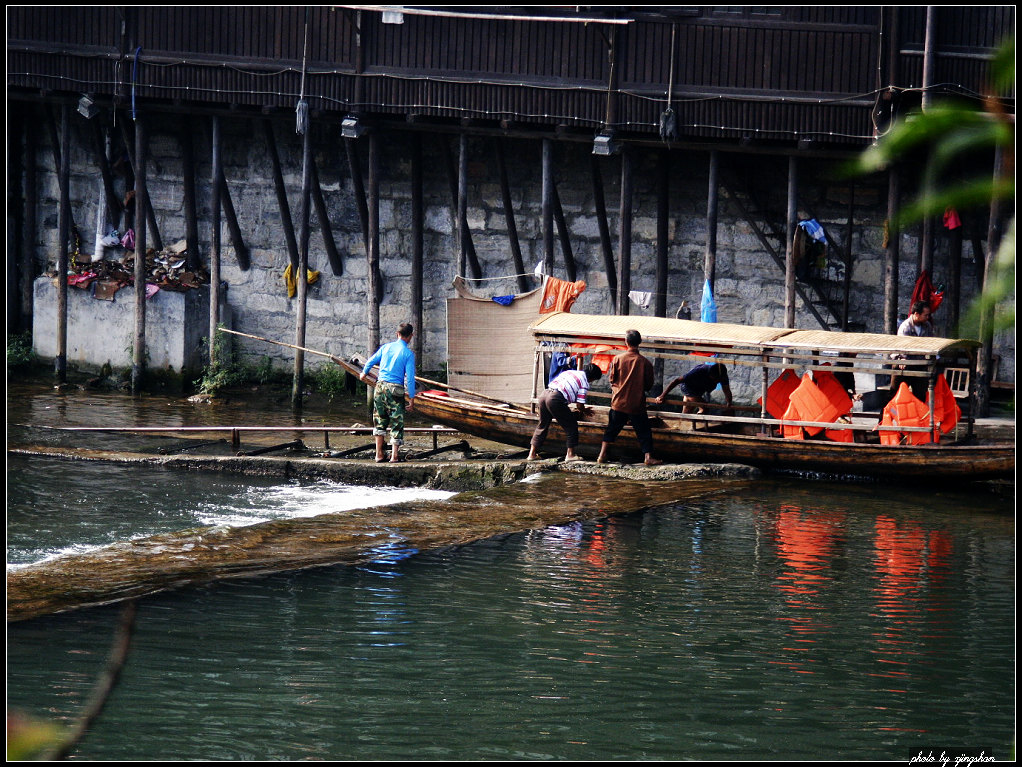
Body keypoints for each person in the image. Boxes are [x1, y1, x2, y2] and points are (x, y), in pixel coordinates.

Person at [596, 330, 662, 466]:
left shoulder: (617, 359)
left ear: (626, 342)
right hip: (636, 404)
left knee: (611, 429)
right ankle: (648, 457)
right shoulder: (645, 363)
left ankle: (602, 455)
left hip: (618, 402)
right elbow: (649, 385)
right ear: (639, 343)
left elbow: (612, 379)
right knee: (644, 431)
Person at [360, 323, 416, 463]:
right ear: (410, 336)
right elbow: (409, 379)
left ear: (397, 334)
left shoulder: (386, 347)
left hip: (380, 387)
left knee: (379, 419)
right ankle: (394, 456)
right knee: (397, 421)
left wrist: (363, 374)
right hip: (395, 389)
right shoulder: (408, 354)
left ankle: (379, 454)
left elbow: (370, 362)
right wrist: (412, 398)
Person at [527, 363, 602, 462]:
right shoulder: (584, 383)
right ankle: (570, 455)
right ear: (592, 378)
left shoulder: (570, 372)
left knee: (542, 425)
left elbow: (567, 390)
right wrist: (584, 410)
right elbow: (580, 405)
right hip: (555, 399)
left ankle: (532, 454)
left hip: (544, 394)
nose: (591, 382)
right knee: (571, 425)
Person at [893, 301, 934, 400]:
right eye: (925, 315)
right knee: (896, 394)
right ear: (916, 314)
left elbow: (931, 342)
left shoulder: (927, 326)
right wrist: (902, 358)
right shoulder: (905, 327)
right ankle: (888, 415)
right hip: (904, 364)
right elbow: (901, 345)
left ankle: (919, 415)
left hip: (920, 364)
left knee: (920, 395)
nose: (927, 317)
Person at [656, 361, 733, 414]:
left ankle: (691, 422)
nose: (717, 381)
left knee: (687, 412)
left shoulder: (723, 376)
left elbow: (727, 390)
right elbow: (677, 381)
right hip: (688, 388)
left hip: (699, 390)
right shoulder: (700, 370)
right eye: (715, 379)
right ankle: (695, 423)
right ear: (710, 374)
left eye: (718, 380)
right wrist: (662, 396)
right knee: (705, 408)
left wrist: (729, 404)